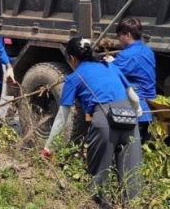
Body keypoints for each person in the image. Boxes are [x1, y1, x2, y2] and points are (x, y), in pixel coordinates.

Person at [42, 37, 142, 207]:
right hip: (129, 118)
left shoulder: (74, 78)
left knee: (99, 180)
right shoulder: (110, 66)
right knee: (132, 180)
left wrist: (48, 146)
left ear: (72, 58)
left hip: (104, 121)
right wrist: (137, 113)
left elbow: (62, 116)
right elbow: (134, 97)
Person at [106, 18, 156, 143]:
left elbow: (111, 75)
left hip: (136, 110)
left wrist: (110, 62)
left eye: (119, 36)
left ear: (128, 35)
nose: (118, 40)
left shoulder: (127, 55)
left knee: (129, 150)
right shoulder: (148, 51)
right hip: (150, 108)